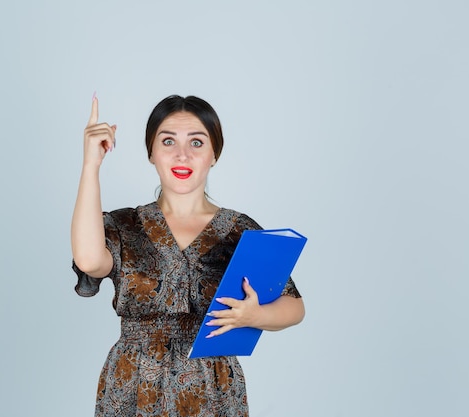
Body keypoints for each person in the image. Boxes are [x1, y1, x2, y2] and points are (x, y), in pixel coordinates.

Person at [71, 94, 305, 417]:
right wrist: (90, 166)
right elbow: (88, 260)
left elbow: (294, 305)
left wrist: (255, 316)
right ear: (151, 152)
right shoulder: (124, 225)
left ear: (214, 154)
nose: (182, 155)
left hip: (214, 390)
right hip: (134, 388)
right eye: (168, 141)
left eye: (197, 143)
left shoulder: (238, 230)